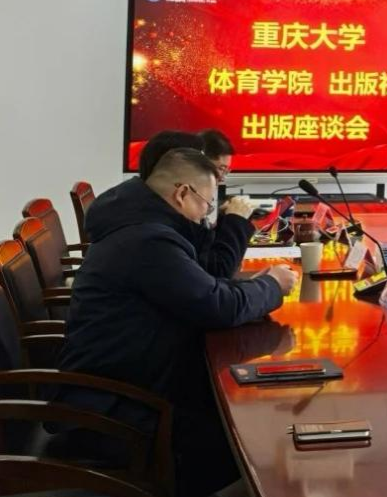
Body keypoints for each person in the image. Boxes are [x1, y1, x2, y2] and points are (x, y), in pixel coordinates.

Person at [57, 149, 297, 496]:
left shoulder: (143, 224)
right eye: (206, 205)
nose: (204, 216)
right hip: (115, 409)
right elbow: (216, 306)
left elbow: (201, 287)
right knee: (254, 440)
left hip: (134, 382)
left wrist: (247, 289)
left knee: (250, 426)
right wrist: (271, 286)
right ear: (182, 193)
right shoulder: (148, 240)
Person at [94, 128, 255, 278]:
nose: (215, 176)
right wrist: (236, 221)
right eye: (200, 166)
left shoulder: (143, 209)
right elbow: (213, 276)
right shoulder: (152, 234)